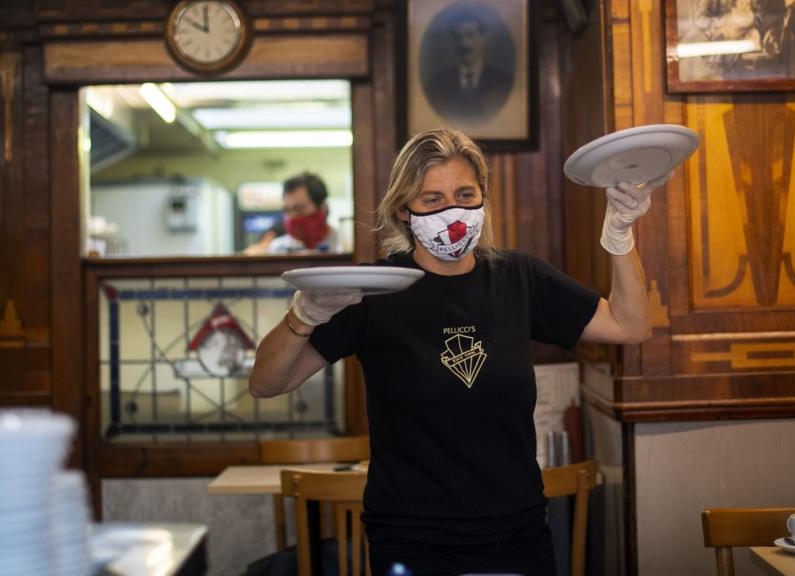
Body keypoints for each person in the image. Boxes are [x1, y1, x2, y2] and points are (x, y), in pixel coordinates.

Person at [250, 129, 662, 575]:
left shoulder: (519, 277)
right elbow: (267, 384)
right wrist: (303, 315)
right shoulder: (371, 289)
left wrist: (620, 236)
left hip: (517, 532)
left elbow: (631, 325)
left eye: (465, 194)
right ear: (404, 211)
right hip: (410, 538)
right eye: (431, 200)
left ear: (483, 197)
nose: (453, 211)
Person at [422, 8, 514, 122]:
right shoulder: (436, 84)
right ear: (452, 42)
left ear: (483, 38)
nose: (464, 43)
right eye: (458, 38)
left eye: (470, 35)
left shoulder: (503, 82)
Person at [266, 172, 338, 254]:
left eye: (299, 209)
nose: (292, 216)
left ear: (322, 208)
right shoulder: (278, 249)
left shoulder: (345, 246)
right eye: (287, 210)